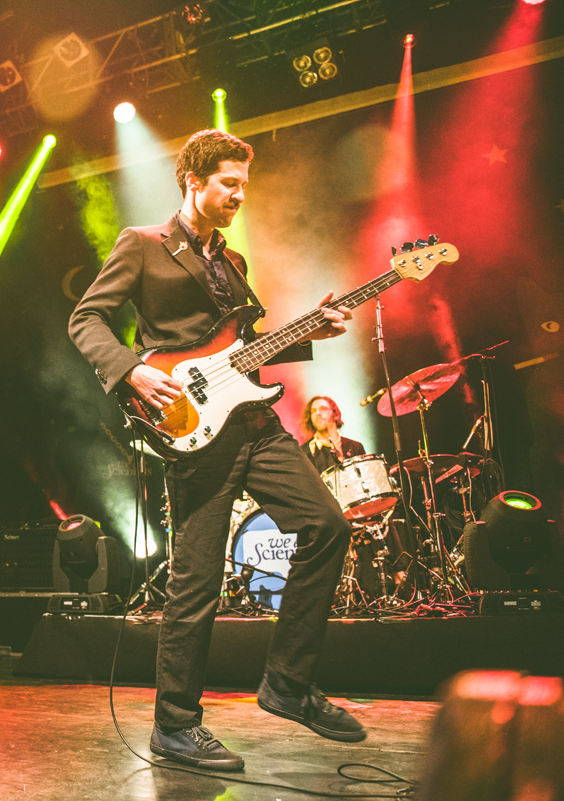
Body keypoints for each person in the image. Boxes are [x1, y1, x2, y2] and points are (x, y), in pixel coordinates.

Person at [68, 129, 365, 771]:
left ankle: (288, 685)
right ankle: (174, 727)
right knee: (195, 584)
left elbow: (244, 352)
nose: (238, 196)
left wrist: (316, 327)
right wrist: (131, 370)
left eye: (244, 186)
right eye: (228, 184)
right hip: (191, 430)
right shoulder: (143, 245)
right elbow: (85, 319)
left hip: (255, 424)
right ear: (193, 181)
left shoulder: (234, 266)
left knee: (328, 525)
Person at [299, 396, 365, 475]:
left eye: (323, 409)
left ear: (334, 413)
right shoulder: (303, 453)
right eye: (313, 411)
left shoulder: (355, 447)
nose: (317, 413)